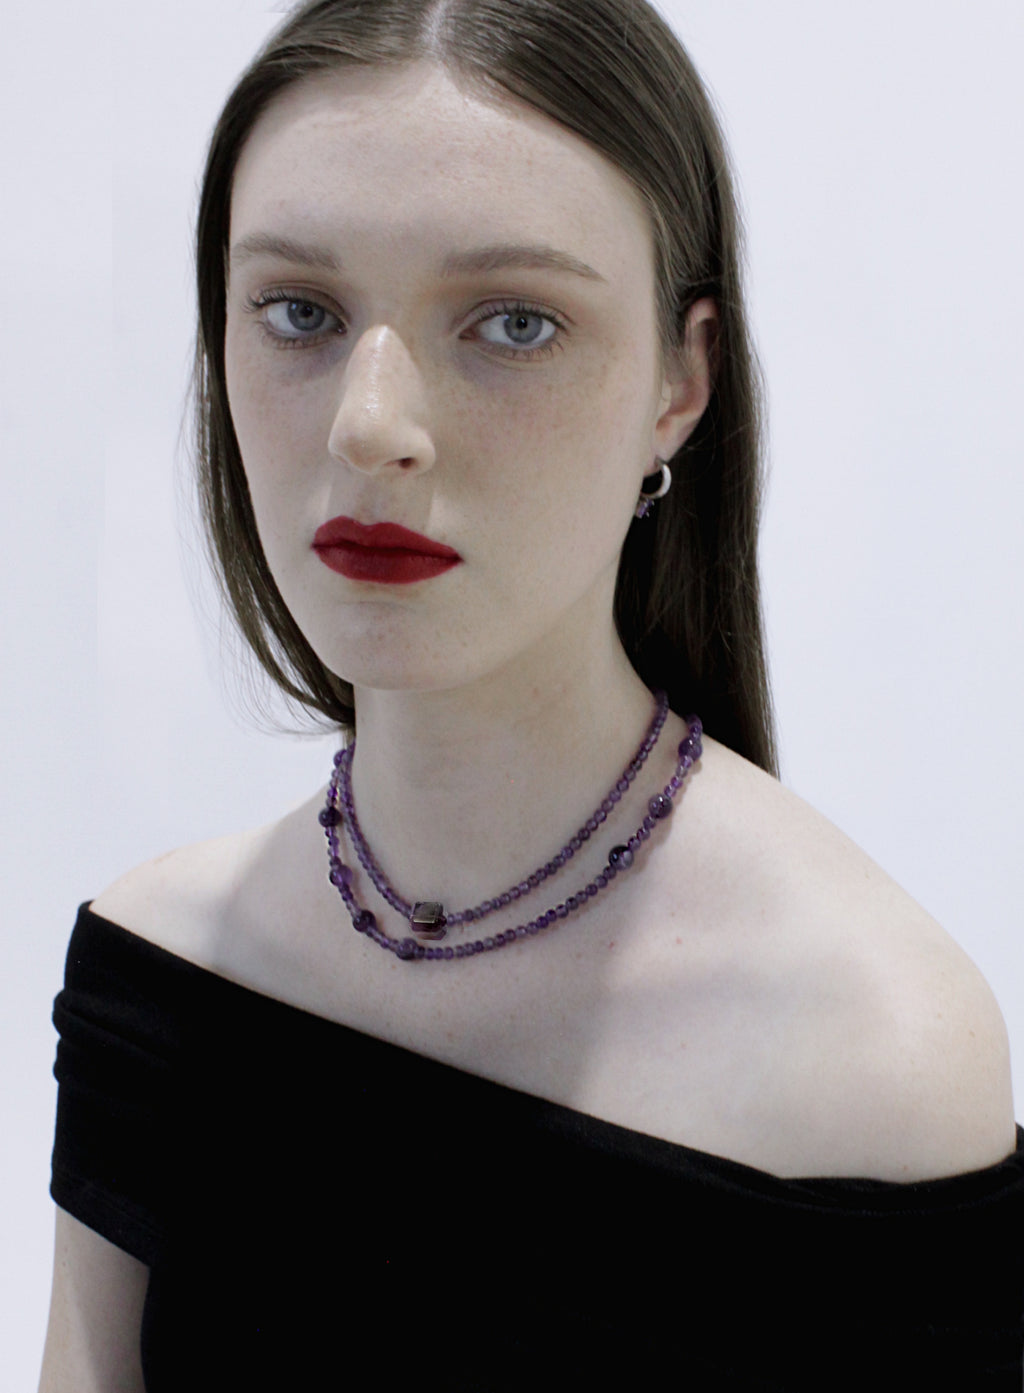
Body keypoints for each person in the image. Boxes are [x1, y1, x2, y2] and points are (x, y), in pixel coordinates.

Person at [39, 1, 1022, 1388]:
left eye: (513, 320)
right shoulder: (159, 974)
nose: (370, 423)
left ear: (682, 382)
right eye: (300, 311)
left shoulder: (872, 1053)